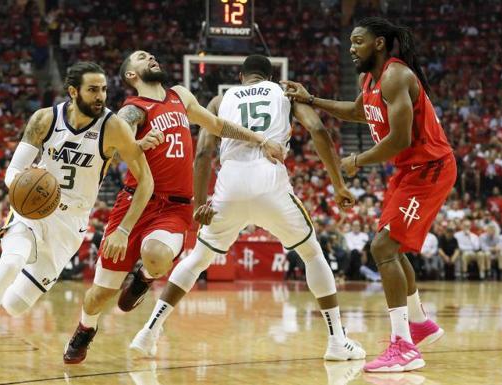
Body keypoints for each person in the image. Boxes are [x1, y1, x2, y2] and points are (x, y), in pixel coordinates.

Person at [128, 54, 365, 362]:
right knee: (311, 254)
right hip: (270, 180)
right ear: (269, 76)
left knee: (198, 258)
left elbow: (202, 154)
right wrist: (338, 184)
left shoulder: (219, 99)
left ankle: (148, 332)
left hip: (230, 184)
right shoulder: (286, 92)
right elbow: (318, 131)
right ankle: (337, 341)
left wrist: (200, 206)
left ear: (240, 77)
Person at [62, 51, 284, 364]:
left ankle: (144, 278)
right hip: (134, 203)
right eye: (142, 58)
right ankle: (85, 328)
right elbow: (108, 147)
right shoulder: (133, 110)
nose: (151, 57)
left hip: (174, 207)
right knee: (100, 294)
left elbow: (218, 125)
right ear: (131, 75)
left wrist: (260, 139)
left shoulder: (180, 95)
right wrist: (136, 145)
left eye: (152, 55)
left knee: (158, 256)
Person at [0, 61, 155, 381]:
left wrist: (124, 228)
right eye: (93, 90)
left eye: (104, 90)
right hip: (32, 211)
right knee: (11, 264)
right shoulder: (44, 119)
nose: (101, 96)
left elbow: (146, 183)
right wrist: (27, 184)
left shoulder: (113, 127)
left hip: (70, 226)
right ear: (73, 92)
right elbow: (12, 172)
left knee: (14, 305)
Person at [283, 17, 455, 372]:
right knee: (387, 245)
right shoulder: (371, 80)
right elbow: (358, 112)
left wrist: (357, 160)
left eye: (358, 41)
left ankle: (404, 346)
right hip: (409, 172)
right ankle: (420, 322)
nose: (351, 48)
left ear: (378, 43)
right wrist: (311, 99)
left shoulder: (396, 76)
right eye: (350, 42)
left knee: (383, 247)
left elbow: (400, 139)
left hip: (430, 169)